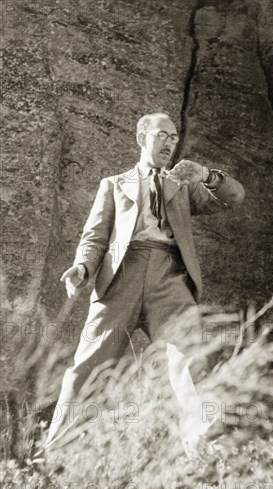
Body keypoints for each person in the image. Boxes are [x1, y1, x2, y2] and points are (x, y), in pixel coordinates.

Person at [38, 112, 245, 456]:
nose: (169, 142)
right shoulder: (113, 184)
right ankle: (58, 452)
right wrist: (82, 267)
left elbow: (234, 197)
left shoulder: (182, 187)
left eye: (174, 137)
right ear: (141, 138)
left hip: (171, 277)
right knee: (89, 364)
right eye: (162, 135)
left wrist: (207, 176)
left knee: (190, 357)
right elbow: (94, 236)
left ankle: (208, 449)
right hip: (121, 276)